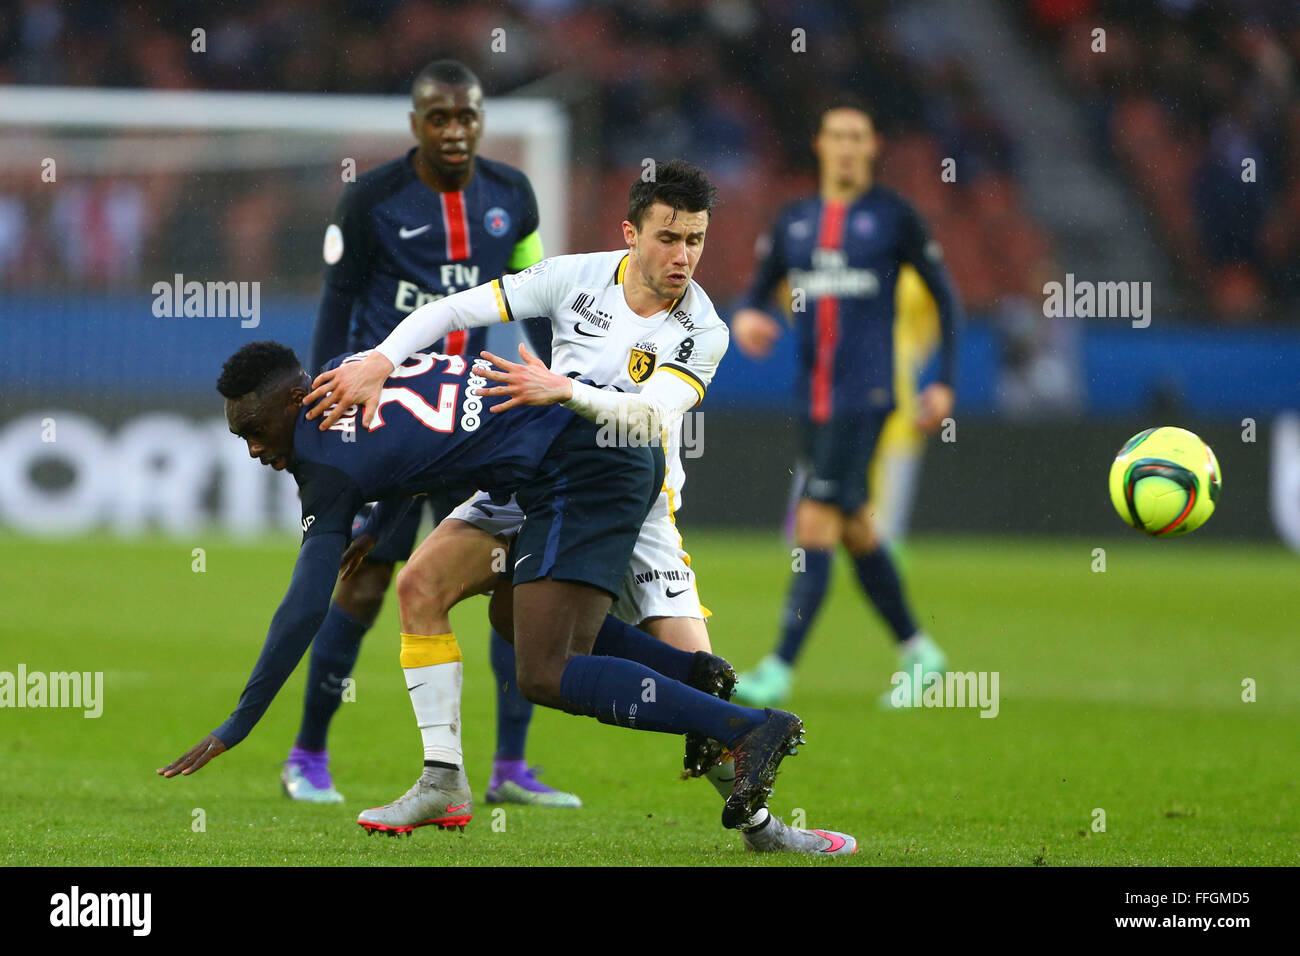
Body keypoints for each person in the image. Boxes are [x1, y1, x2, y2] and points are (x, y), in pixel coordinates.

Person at [304, 160, 856, 854]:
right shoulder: (576, 278)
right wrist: (381, 359)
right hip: (537, 476)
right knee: (421, 584)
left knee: (699, 693)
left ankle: (764, 828)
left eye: (695, 240)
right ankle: (443, 776)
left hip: (637, 503)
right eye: (667, 237)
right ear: (631, 233)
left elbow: (652, 419)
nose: (682, 256)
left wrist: (563, 392)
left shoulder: (703, 330)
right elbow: (456, 308)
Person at [157, 341, 821, 847]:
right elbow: (408, 450)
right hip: (552, 450)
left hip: (582, 465)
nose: (250, 450)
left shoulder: (320, 463)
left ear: (290, 404)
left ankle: (748, 728)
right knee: (473, 600)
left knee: (545, 671)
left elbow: (303, 608)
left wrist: (238, 726)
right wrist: (380, 524)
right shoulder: (347, 370)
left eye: (251, 431)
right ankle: (683, 676)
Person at [287, 58, 574, 807]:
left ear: (482, 120)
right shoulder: (372, 199)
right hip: (389, 421)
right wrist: (328, 411)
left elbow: (533, 295)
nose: (455, 130)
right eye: (439, 117)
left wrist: (554, 371)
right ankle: (308, 755)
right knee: (367, 578)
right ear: (415, 123)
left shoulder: (513, 196)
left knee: (513, 577)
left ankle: (510, 767)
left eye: (467, 116)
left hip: (474, 422)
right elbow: (335, 308)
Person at [729, 96, 960, 708]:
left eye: (860, 136)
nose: (849, 146)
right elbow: (754, 294)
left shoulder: (894, 218)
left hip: (868, 395)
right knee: (856, 526)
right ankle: (920, 651)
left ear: (873, 147)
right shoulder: (794, 221)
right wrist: (748, 320)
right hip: (812, 399)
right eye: (838, 135)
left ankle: (780, 667)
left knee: (815, 521)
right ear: (821, 146)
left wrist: (944, 380)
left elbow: (945, 296)